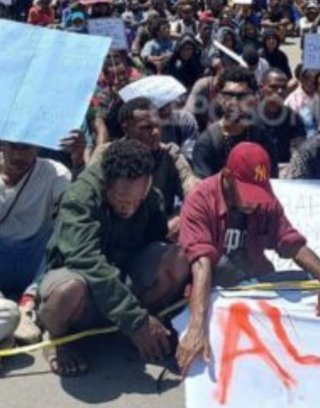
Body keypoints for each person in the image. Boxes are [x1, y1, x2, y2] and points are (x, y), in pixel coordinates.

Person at [175, 142, 320, 374]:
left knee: (305, 282)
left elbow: (290, 242)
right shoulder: (200, 199)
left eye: (258, 193)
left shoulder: (265, 199)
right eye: (246, 192)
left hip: (252, 280)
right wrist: (196, 326)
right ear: (227, 176)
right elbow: (201, 263)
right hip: (212, 283)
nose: (253, 202)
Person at [37, 139, 190, 376]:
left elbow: (153, 244)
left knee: (177, 259)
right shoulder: (79, 198)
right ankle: (59, 339)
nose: (129, 208)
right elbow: (86, 260)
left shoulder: (152, 197)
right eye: (121, 200)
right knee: (67, 291)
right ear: (105, 183)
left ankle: (129, 330)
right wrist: (136, 320)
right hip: (82, 282)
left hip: (123, 278)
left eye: (136, 201)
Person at [89, 98, 199, 239]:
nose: (155, 132)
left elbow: (192, 188)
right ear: (126, 128)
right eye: (146, 127)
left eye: (158, 126)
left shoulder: (170, 154)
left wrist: (179, 218)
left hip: (157, 234)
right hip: (112, 234)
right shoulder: (106, 154)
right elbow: (89, 195)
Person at [0, 140, 72, 346]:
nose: (18, 154)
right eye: (13, 146)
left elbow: (75, 205)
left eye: (26, 148)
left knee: (65, 228)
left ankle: (28, 302)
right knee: (7, 314)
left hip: (35, 255)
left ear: (38, 147)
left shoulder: (55, 172)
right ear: (2, 145)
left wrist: (79, 162)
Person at [191, 66, 278, 178]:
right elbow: (205, 191)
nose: (234, 102)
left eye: (242, 96)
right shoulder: (207, 143)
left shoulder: (262, 140)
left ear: (253, 100)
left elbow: (270, 183)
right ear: (219, 98)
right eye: (228, 95)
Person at [257, 69, 305, 165]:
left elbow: (299, 152)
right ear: (261, 88)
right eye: (273, 87)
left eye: (283, 87)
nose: (279, 91)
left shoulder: (293, 118)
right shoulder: (248, 117)